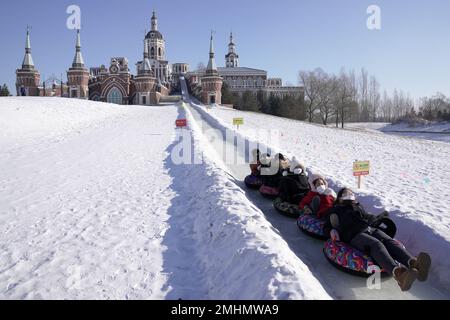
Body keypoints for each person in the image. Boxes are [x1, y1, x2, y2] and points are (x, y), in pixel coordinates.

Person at [325, 188, 432, 292]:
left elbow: (368, 218)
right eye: (345, 193)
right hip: (353, 234)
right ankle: (399, 275)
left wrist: (378, 218)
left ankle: (413, 263)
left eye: (350, 192)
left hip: (369, 229)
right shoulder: (336, 210)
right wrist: (331, 230)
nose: (349, 194)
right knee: (376, 244)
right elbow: (327, 226)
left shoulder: (357, 207)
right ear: (339, 198)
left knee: (389, 241)